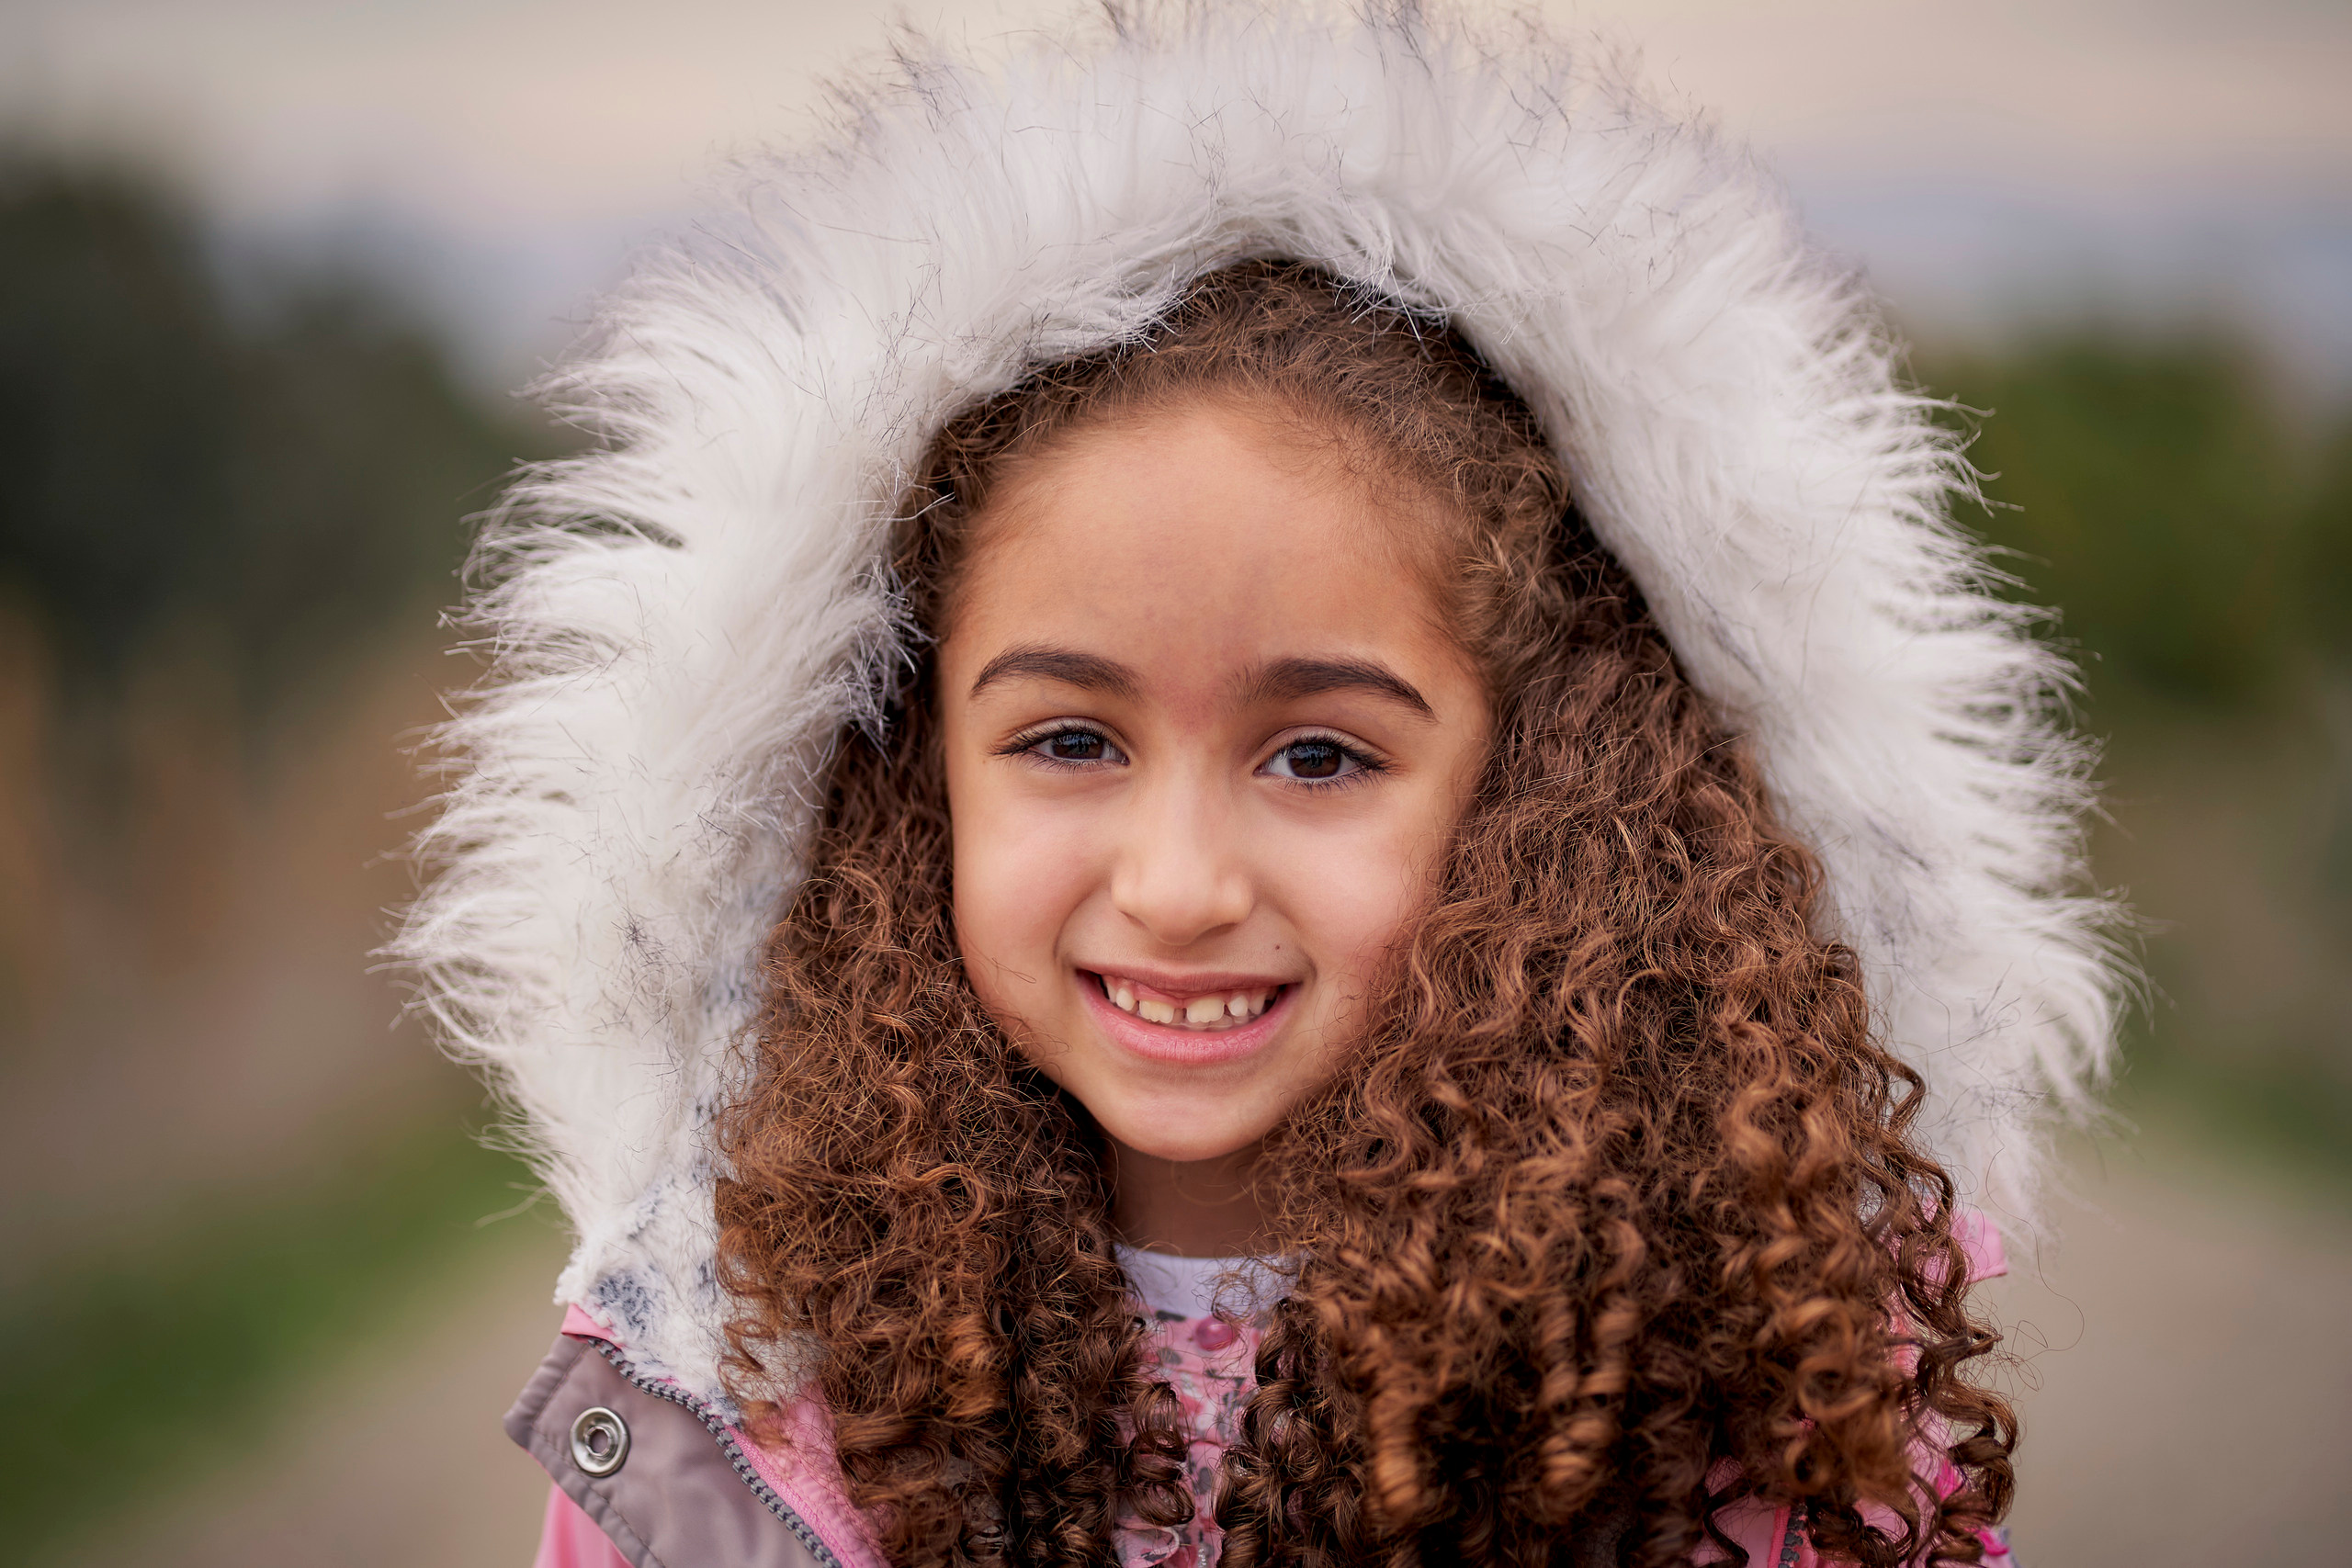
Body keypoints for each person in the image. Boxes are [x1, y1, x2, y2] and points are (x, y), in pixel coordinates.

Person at [398, 6, 2120, 1565]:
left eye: (1319, 756)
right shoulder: (740, 1394)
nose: (1177, 882)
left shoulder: (1748, 1376)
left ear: (1543, 794)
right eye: (1070, 739)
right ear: (908, 785)